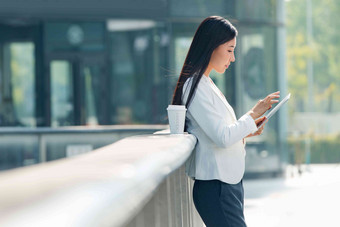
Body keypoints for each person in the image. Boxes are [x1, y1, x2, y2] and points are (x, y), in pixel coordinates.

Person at [171, 16, 280, 227]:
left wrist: (247, 130)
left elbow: (220, 132)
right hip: (216, 188)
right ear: (211, 46)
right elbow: (222, 137)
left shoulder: (206, 83)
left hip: (229, 184)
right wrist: (253, 113)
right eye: (230, 50)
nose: (233, 58)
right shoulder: (195, 86)